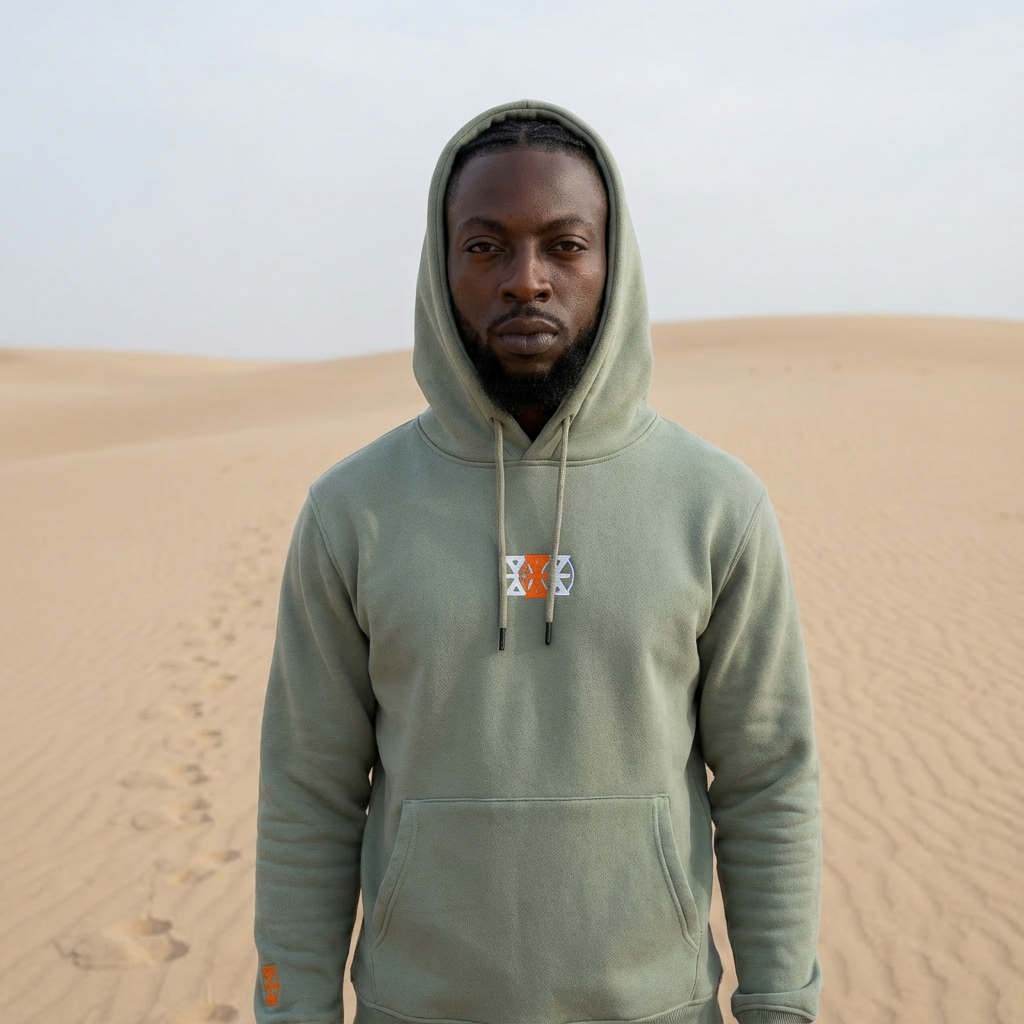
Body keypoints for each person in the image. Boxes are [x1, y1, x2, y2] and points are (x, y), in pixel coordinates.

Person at [254, 100, 822, 1024]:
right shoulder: (350, 512)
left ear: (613, 263)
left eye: (565, 245)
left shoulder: (717, 505)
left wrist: (783, 1007)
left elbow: (769, 780)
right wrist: (284, 1008)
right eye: (486, 247)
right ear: (442, 268)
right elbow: (306, 795)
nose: (527, 280)